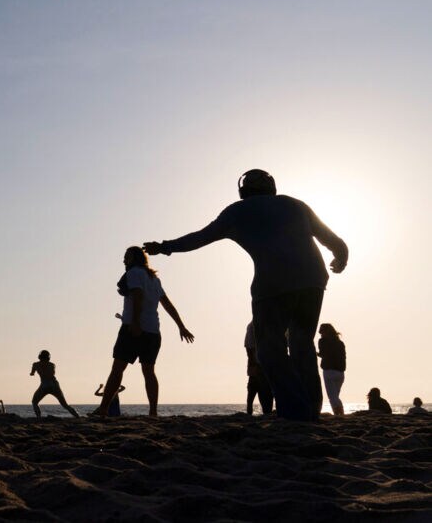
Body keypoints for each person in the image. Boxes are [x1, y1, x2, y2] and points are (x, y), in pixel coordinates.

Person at [144, 170, 348, 421]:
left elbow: (199, 238)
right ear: (271, 187)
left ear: (243, 190)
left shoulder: (237, 212)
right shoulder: (296, 205)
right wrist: (341, 257)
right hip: (313, 280)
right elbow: (332, 239)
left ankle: (295, 411)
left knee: (269, 349)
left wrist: (165, 247)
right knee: (302, 343)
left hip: (272, 285)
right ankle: (311, 409)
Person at [92, 247, 194, 418]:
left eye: (127, 257)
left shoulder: (134, 273)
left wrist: (136, 323)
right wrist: (181, 326)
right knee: (149, 372)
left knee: (117, 369)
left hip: (134, 328)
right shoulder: (154, 279)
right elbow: (167, 304)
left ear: (135, 258)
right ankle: (153, 412)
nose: (124, 260)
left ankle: (103, 409)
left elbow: (138, 295)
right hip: (153, 331)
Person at [29, 350, 79, 418]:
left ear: (40, 356)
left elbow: (32, 373)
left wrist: (33, 372)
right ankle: (77, 416)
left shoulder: (35, 364)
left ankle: (39, 417)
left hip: (44, 384)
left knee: (34, 402)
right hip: (54, 384)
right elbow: (52, 373)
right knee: (64, 404)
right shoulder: (52, 365)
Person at [245, 322, 274, 415]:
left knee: (255, 394)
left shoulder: (252, 326)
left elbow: (248, 346)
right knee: (263, 392)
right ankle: (266, 412)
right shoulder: (254, 326)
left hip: (257, 366)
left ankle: (262, 412)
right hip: (259, 366)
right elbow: (249, 347)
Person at [317, 323, 346, 416]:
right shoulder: (340, 343)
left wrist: (315, 353)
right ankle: (340, 413)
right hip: (340, 372)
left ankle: (338, 413)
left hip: (329, 371)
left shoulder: (322, 341)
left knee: (332, 397)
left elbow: (322, 354)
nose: (320, 333)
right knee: (335, 396)